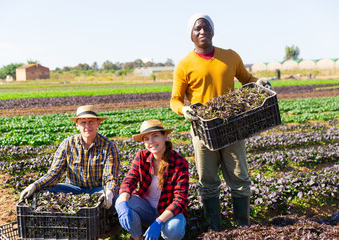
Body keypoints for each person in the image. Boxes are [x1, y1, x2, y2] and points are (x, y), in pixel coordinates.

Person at [170, 13, 272, 232]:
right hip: (202, 130)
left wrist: (259, 81)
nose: (202, 31)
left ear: (213, 30)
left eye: (206, 27)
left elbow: (247, 79)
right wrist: (184, 109)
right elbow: (175, 100)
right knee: (207, 181)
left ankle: (243, 227)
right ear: (191, 34)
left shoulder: (230, 56)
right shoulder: (184, 64)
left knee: (240, 177)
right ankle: (214, 229)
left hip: (233, 126)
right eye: (197, 28)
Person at [19, 105, 120, 210]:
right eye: (83, 122)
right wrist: (34, 185)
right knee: (43, 193)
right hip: (73, 189)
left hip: (97, 190)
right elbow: (54, 174)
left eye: (91, 122)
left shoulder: (108, 146)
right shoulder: (67, 144)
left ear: (98, 124)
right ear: (77, 125)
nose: (87, 126)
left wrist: (109, 193)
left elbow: (110, 177)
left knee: (115, 200)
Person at [115, 119, 189, 240]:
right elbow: (129, 181)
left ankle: (163, 233)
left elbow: (180, 200)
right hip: (146, 210)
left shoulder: (179, 162)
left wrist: (159, 222)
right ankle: (138, 237)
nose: (151, 142)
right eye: (146, 139)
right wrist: (123, 203)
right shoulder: (142, 157)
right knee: (121, 201)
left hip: (168, 214)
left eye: (155, 136)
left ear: (165, 136)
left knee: (174, 229)